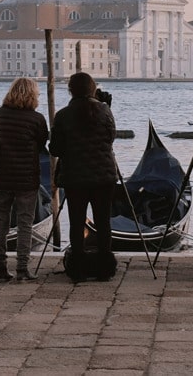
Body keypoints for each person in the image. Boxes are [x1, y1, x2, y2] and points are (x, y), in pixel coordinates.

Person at [51, 72, 118, 282]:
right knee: (103, 222)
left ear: (71, 90)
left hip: (75, 177)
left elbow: (55, 149)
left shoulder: (62, 115)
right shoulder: (105, 111)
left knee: (76, 222)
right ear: (93, 89)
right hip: (103, 177)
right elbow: (110, 138)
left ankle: (78, 269)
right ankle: (104, 268)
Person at [0, 77, 49, 282]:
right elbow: (42, 146)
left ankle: (0, 268)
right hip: (26, 179)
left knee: (0, 222)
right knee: (25, 223)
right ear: (32, 95)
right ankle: (22, 268)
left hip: (0, 177)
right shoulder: (37, 119)